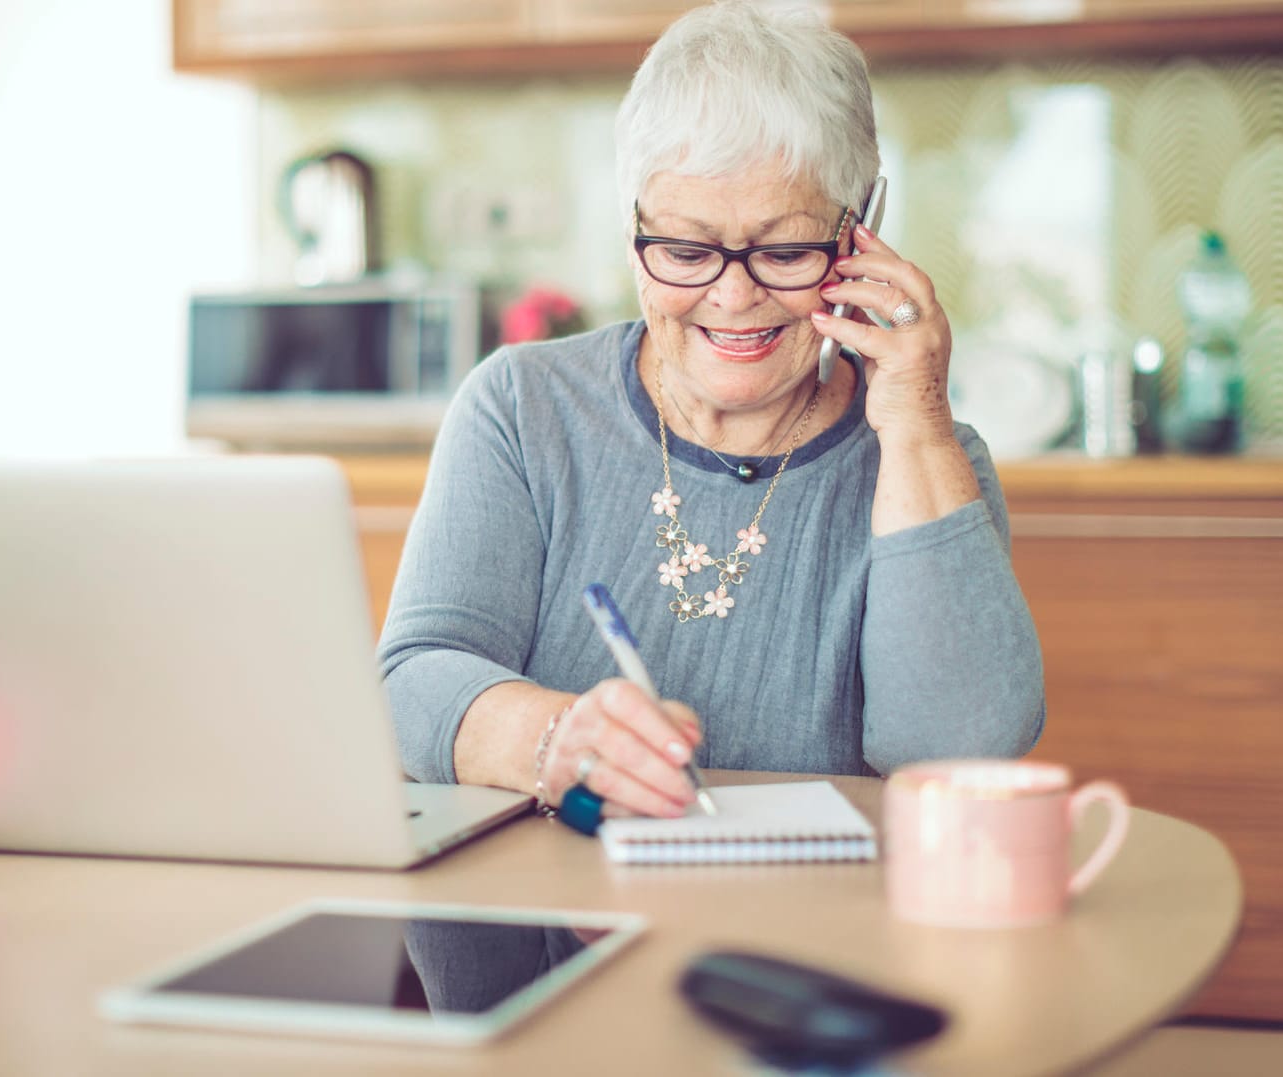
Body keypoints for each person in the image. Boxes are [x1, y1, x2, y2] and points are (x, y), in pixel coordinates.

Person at [377, 0, 1044, 823]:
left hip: (813, 937)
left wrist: (913, 426)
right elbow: (409, 679)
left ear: (862, 229)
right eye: (687, 252)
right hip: (550, 922)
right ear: (634, 234)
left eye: (786, 250)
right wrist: (553, 738)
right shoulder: (522, 407)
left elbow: (960, 754)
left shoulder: (931, 455)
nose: (733, 296)